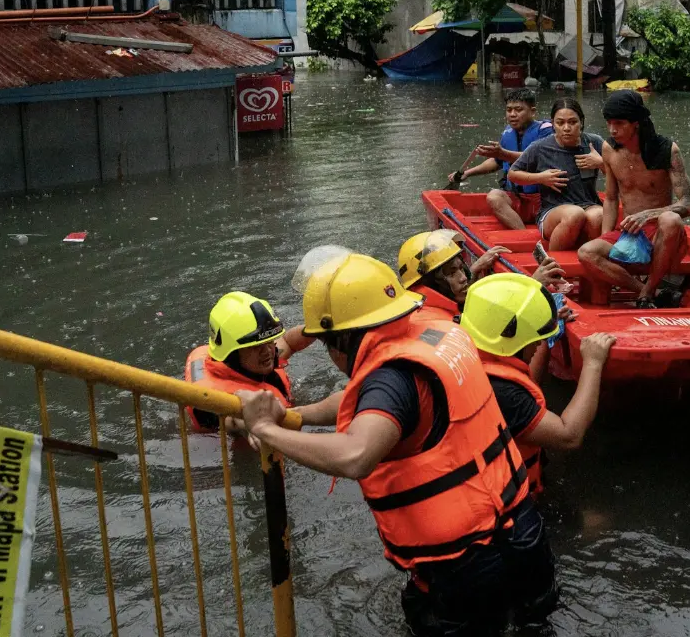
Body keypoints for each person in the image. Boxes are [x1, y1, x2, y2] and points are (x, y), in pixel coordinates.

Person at [236, 249, 558, 636]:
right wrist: (298, 416)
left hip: (466, 563)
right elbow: (365, 402)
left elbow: (356, 455)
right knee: (533, 625)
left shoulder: (392, 377)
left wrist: (266, 430)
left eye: (327, 344)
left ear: (343, 339)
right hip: (522, 530)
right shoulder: (435, 332)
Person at [459, 273, 616, 498]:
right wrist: (593, 362)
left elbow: (527, 378)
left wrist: (543, 327)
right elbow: (568, 435)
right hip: (504, 503)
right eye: (535, 339)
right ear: (511, 339)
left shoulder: (473, 351)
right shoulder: (503, 392)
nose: (539, 343)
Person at [577, 90, 690, 308]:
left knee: (671, 219)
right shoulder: (609, 149)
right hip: (628, 233)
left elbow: (689, 203)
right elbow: (611, 199)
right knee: (586, 252)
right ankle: (649, 291)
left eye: (619, 123)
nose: (612, 130)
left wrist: (648, 215)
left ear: (636, 123)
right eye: (609, 123)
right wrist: (606, 238)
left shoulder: (667, 150)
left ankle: (648, 290)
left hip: (661, 236)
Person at [397, 229, 566, 321]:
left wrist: (475, 268)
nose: (463, 277)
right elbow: (496, 328)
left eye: (461, 268)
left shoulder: (425, 304)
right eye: (452, 273)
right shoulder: (439, 322)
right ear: (429, 283)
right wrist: (534, 285)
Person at [185, 291, 292, 434]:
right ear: (232, 355)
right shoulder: (211, 403)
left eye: (269, 341)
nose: (267, 351)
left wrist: (313, 330)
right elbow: (232, 421)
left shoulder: (253, 361)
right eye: (255, 347)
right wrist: (253, 423)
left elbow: (289, 342)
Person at [447, 88, 553, 230]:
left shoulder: (546, 130)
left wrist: (502, 153)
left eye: (518, 110)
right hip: (517, 198)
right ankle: (522, 234)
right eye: (509, 110)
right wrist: (467, 173)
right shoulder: (508, 133)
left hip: (544, 200)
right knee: (494, 196)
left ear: (532, 111)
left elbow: (537, 157)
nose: (512, 114)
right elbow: (497, 161)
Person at [507, 98, 606, 251]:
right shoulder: (540, 147)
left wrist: (601, 163)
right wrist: (541, 178)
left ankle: (590, 256)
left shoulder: (595, 142)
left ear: (581, 122)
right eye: (560, 123)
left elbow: (620, 176)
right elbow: (512, 174)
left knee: (599, 215)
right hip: (552, 211)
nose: (566, 128)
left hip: (589, 204)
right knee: (574, 214)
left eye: (572, 122)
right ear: (553, 124)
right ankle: (553, 260)